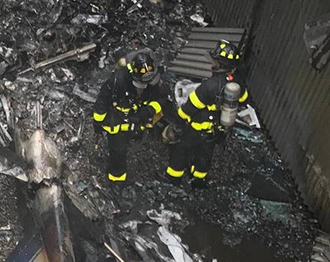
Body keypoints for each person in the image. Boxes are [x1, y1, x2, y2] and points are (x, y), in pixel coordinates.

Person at [164, 40, 249, 187]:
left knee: (181, 149)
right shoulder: (237, 83)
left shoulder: (209, 86)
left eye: (214, 60)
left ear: (219, 63)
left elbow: (189, 108)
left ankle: (173, 178)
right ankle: (198, 181)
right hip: (217, 128)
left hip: (197, 127)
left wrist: (178, 122)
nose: (212, 63)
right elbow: (243, 99)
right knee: (205, 154)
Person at [93, 49, 172, 184]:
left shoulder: (154, 80)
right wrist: (98, 123)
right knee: (118, 151)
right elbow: (102, 101)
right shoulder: (117, 80)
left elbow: (162, 98)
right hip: (118, 120)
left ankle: (134, 137)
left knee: (134, 136)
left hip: (138, 117)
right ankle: (116, 180)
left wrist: (149, 110)